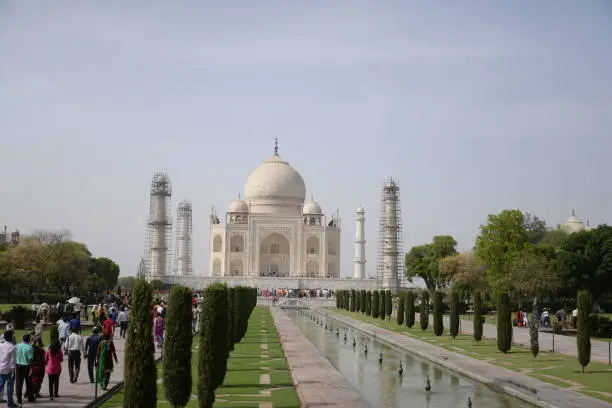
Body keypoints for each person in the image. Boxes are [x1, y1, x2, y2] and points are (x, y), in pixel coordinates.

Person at [15, 333, 35, 404]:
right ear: (29, 340)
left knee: (19, 383)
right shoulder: (29, 347)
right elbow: (31, 359)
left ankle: (19, 399)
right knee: (29, 383)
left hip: (18, 365)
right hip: (26, 366)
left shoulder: (17, 345)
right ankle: (30, 397)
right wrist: (31, 368)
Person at [0, 331, 16, 408]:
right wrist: (13, 371)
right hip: (9, 370)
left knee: (0, 386)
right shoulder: (12, 347)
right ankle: (10, 404)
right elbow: (12, 361)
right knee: (9, 389)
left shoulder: (0, 345)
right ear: (11, 337)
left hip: (1, 369)